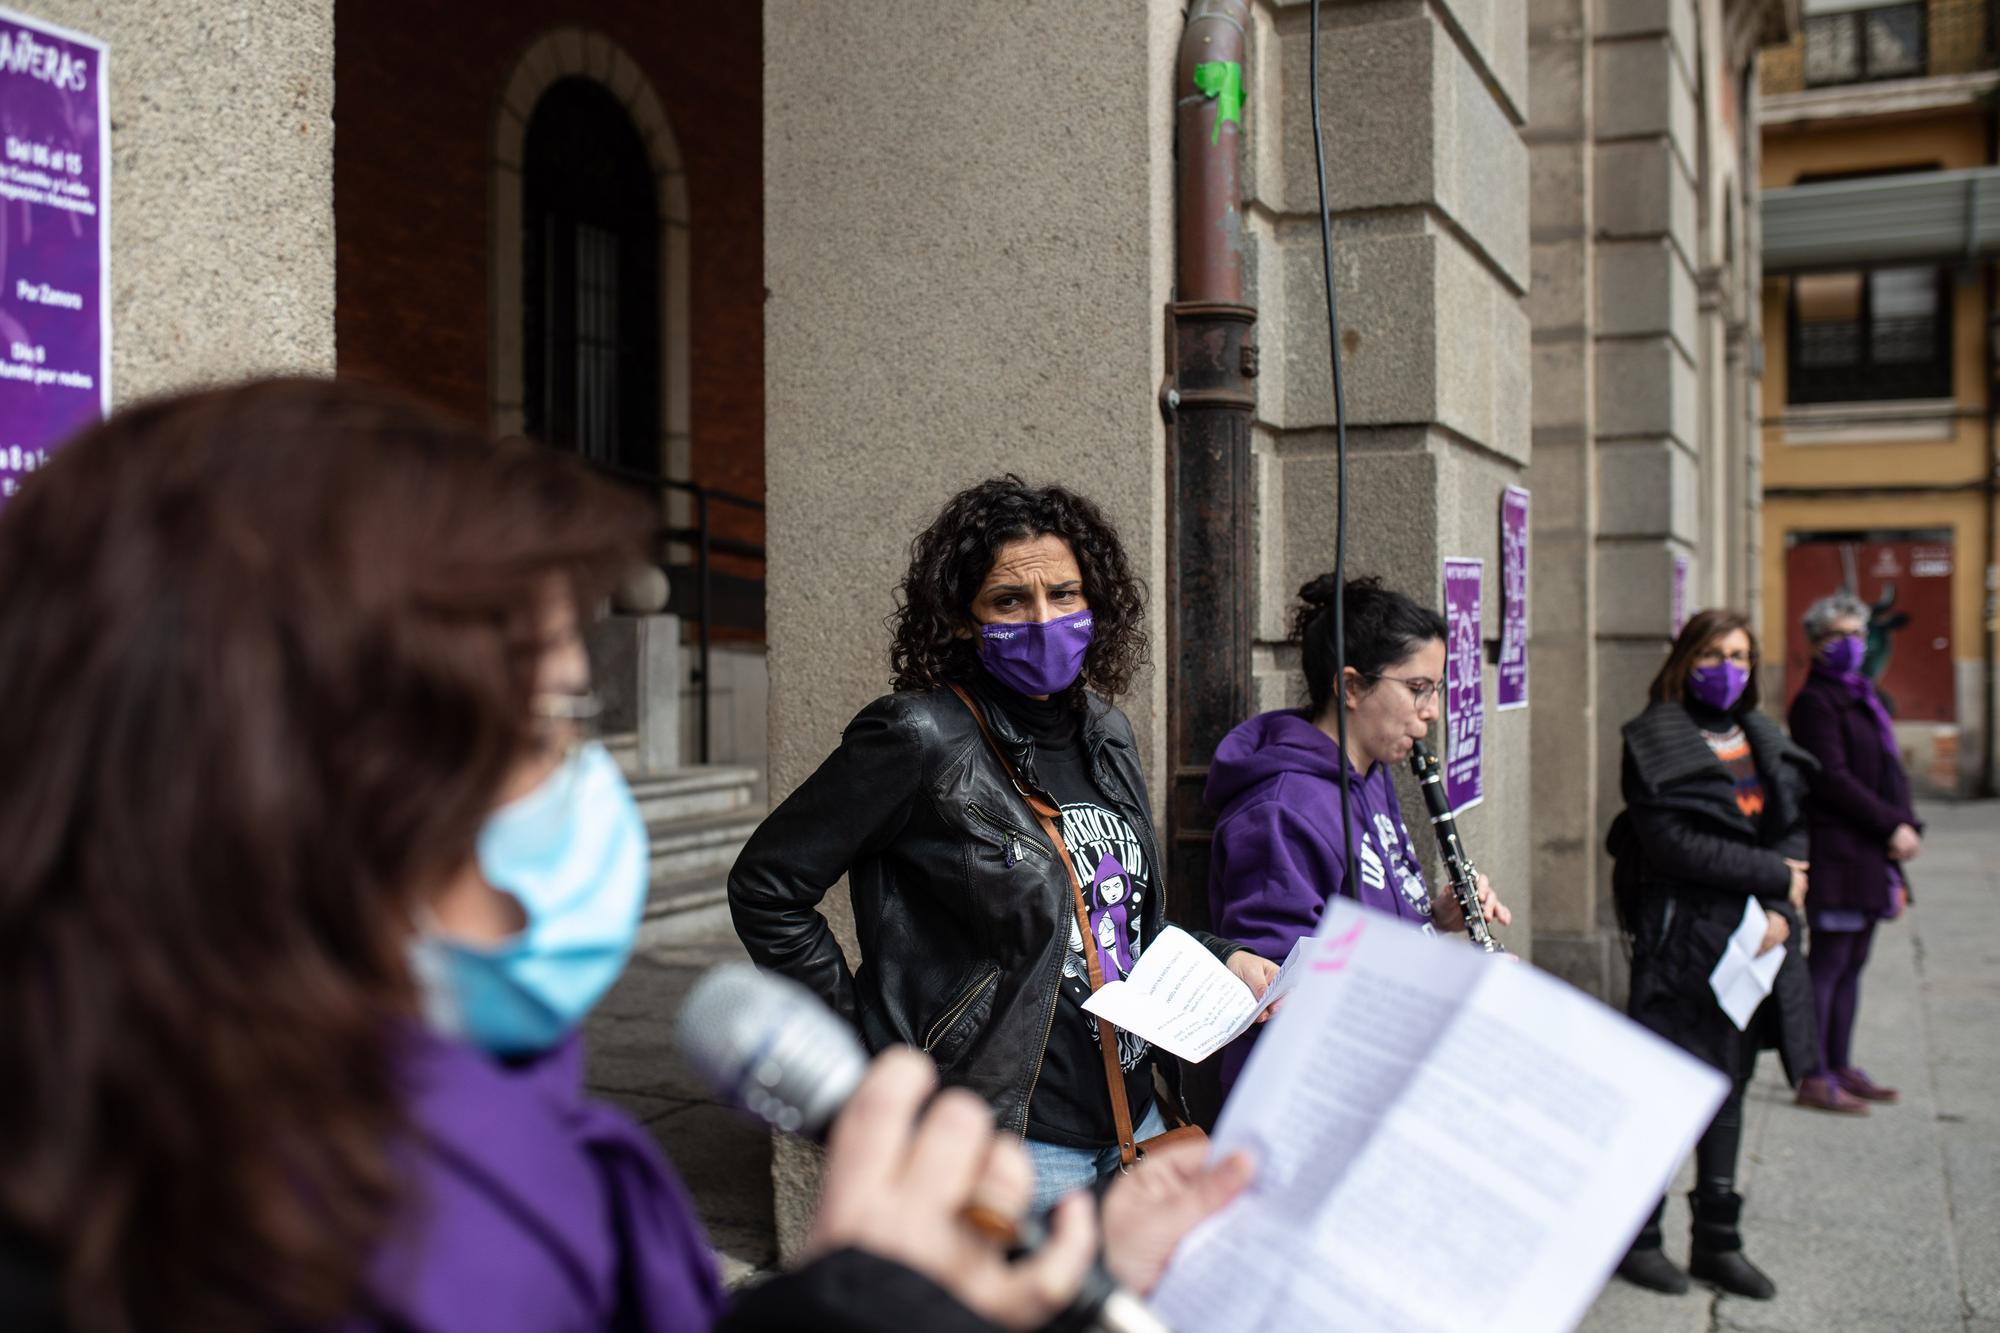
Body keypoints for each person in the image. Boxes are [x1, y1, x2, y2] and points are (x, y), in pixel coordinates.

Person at [0, 382, 1243, 1333]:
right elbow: (774, 883)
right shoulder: (248, 1232)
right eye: (542, 725)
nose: (579, 785)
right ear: (286, 779)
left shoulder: (490, 1126)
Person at [728, 476, 1279, 1211]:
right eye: (1010, 601)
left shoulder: (1107, 735)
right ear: (964, 618)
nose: (1043, 618)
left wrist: (1220, 954)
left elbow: (1110, 918)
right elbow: (768, 886)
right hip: (1009, 1137)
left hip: (1130, 1113)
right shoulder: (917, 737)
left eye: (1065, 593)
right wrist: (864, 1048)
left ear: (1096, 604)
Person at [1205, 575, 1511, 1096]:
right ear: (1350, 687)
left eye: (1435, 689)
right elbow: (1278, 988)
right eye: (1418, 689)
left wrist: (1435, 919)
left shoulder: (1371, 774)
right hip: (1312, 1092)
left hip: (1378, 1070)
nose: (1431, 710)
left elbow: (1363, 923)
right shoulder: (1281, 808)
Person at [1607, 609, 1824, 1301]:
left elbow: (1790, 829)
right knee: (1666, 1090)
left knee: (1729, 1085)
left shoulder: (1761, 738)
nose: (1728, 667)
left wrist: (1783, 908)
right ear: (1684, 659)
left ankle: (1718, 1241)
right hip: (1681, 939)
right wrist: (1775, 880)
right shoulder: (1652, 741)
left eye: (1740, 653)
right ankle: (1639, 1240)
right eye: (1712, 653)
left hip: (1755, 941)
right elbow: (1675, 844)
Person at [1787, 592, 1921, 1109]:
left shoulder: (1865, 695)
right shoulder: (1816, 702)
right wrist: (1892, 825)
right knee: (1829, 963)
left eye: (1857, 635)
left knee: (1854, 963)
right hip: (1840, 852)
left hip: (1871, 853)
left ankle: (1841, 1063)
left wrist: (1908, 823)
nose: (1849, 645)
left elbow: (1890, 768)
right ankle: (1814, 1074)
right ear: (1815, 644)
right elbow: (1833, 779)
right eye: (1836, 636)